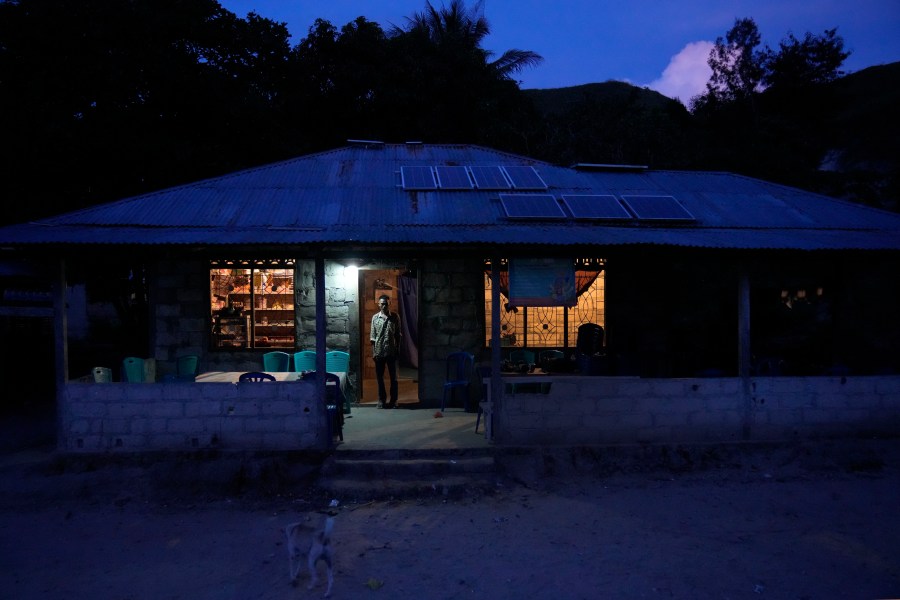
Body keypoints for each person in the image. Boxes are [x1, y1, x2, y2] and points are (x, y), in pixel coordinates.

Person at [370, 294, 401, 408]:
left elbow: (398, 335)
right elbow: (373, 337)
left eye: (386, 304)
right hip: (379, 352)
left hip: (391, 351)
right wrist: (373, 352)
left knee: (394, 378)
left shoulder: (395, 317)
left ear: (389, 304)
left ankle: (394, 400)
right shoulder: (375, 318)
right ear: (378, 304)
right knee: (380, 378)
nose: (384, 306)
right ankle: (381, 400)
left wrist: (398, 349)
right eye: (382, 304)